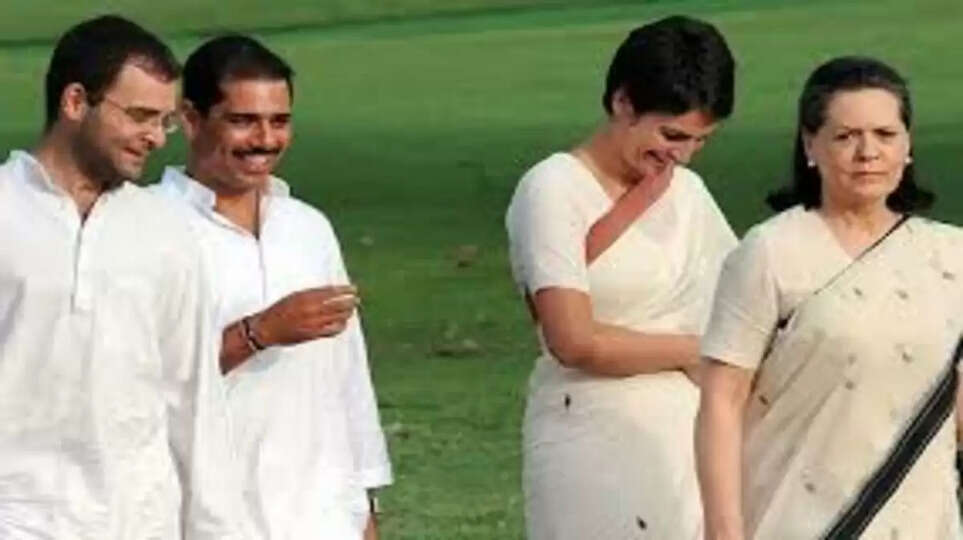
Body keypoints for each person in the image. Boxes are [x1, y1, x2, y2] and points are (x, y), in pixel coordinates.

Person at [0, 15, 246, 539]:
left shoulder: (164, 229)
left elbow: (193, 399)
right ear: (75, 102)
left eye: (165, 121)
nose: (156, 137)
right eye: (139, 116)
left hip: (140, 520)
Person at [696, 56, 963, 540]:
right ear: (809, 145)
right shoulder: (770, 252)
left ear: (907, 146)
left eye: (885, 134)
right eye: (846, 136)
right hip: (793, 517)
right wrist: (724, 531)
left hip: (921, 520)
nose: (868, 152)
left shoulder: (950, 256)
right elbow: (722, 399)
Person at [505, 15, 737, 539]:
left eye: (699, 141)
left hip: (691, 440)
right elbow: (573, 340)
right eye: (672, 134)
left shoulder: (688, 193)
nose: (682, 155)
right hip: (591, 433)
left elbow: (746, 311)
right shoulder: (554, 188)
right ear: (622, 102)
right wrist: (698, 350)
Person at [151, 35, 392, 540]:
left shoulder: (307, 227)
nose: (264, 140)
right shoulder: (148, 226)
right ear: (191, 119)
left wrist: (364, 508)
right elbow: (132, 383)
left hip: (323, 516)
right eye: (243, 121)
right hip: (205, 519)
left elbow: (348, 378)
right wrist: (257, 333)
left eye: (279, 121)